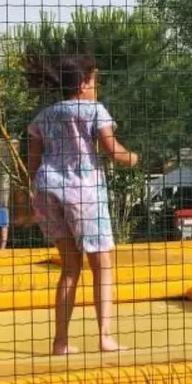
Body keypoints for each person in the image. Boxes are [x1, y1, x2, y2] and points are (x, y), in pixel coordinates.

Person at [26, 55, 139, 354]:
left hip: (48, 188)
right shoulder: (93, 110)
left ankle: (60, 342)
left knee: (70, 268)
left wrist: (30, 197)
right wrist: (134, 157)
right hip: (83, 192)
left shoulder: (44, 116)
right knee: (102, 264)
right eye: (95, 81)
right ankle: (104, 337)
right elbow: (113, 151)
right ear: (85, 83)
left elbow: (32, 163)